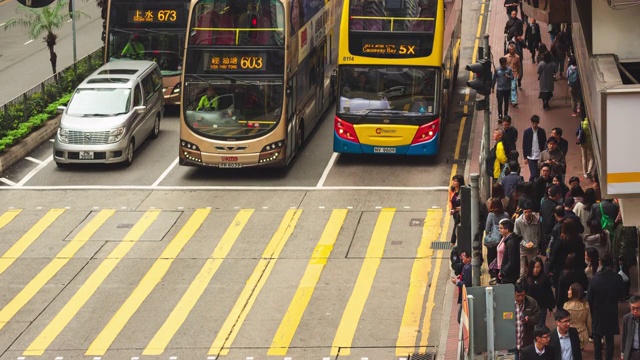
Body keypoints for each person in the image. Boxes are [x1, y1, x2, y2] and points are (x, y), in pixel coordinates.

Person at [587, 252, 625, 360]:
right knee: (610, 338)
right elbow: (622, 295)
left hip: (597, 311)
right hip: (611, 310)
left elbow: (589, 298)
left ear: (601, 262)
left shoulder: (594, 279)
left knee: (597, 338)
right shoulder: (617, 278)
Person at [522, 256, 555, 327]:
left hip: (541, 307)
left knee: (540, 327)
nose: (535, 270)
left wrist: (550, 307)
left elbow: (548, 293)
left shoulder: (544, 278)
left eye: (538, 267)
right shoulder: (526, 279)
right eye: (534, 267)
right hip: (529, 308)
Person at [514, 284, 542, 358]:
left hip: (526, 339)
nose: (520, 298)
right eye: (518, 295)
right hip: (512, 340)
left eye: (522, 295)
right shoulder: (508, 303)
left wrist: (529, 319)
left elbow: (538, 317)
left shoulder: (531, 302)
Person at [486, 199, 510, 282]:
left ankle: (493, 274)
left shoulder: (491, 215)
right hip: (504, 240)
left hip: (493, 241)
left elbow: (487, 228)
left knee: (491, 257)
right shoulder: (506, 215)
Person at [563, 283, 592, 350]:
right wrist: (590, 333)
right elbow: (589, 321)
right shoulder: (586, 305)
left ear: (573, 293)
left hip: (570, 333)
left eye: (569, 290)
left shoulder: (566, 306)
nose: (568, 291)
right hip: (583, 333)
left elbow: (564, 321)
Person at [514, 201, 540, 274]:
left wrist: (538, 244)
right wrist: (524, 243)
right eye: (525, 212)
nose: (527, 214)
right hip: (522, 248)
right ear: (523, 212)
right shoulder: (518, 221)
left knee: (532, 270)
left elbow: (539, 233)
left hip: (534, 248)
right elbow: (516, 235)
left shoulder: (536, 220)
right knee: (522, 271)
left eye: (529, 212)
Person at [523, 115, 547, 182]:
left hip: (539, 156)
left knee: (538, 175)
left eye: (536, 123)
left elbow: (545, 143)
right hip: (531, 156)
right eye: (533, 123)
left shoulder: (542, 132)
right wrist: (525, 157)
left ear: (538, 122)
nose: (534, 125)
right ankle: (530, 185)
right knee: (533, 174)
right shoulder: (527, 132)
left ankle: (536, 188)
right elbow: (524, 145)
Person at [451, 250, 472, 323]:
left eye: (465, 256)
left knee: (459, 318)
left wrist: (457, 282)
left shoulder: (468, 268)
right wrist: (461, 277)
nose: (463, 257)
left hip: (464, 296)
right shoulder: (467, 266)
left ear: (469, 258)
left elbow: (466, 284)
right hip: (463, 296)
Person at [498, 219, 520, 284]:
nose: (499, 230)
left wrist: (504, 271)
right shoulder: (510, 240)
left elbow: (511, 261)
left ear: (507, 230)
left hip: (509, 276)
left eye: (501, 228)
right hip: (509, 274)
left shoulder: (511, 242)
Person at [621, 294, 640, 360]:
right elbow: (624, 336)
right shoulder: (626, 318)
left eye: (638, 308)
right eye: (633, 308)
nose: (635, 311)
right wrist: (622, 352)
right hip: (631, 353)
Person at [450, 175, 465, 245]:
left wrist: (458, 209)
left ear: (459, 183)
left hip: (461, 213)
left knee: (457, 227)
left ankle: (453, 240)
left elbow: (464, 204)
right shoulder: (451, 190)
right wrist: (451, 209)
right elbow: (450, 200)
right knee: (457, 228)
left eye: (455, 181)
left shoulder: (462, 192)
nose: (453, 182)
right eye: (453, 180)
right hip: (454, 213)